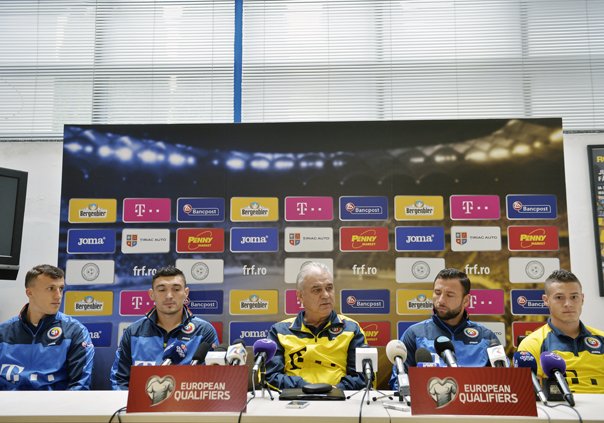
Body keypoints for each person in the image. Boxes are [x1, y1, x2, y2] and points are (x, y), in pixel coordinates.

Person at [110, 265, 218, 389]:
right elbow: (119, 380)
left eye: (176, 289)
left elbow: (213, 380)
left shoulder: (204, 331)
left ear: (186, 293)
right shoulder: (133, 332)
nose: (169, 296)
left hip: (188, 401)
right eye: (162, 290)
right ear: (152, 294)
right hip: (140, 401)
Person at [389, 268, 500, 389]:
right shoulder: (414, 334)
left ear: (466, 300)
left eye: (449, 295)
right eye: (437, 293)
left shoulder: (487, 337)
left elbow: (503, 383)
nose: (441, 300)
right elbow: (398, 384)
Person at [265, 261, 366, 390]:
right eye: (317, 290)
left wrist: (334, 391)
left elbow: (362, 378)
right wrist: (305, 388)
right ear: (300, 296)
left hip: (339, 399)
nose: (326, 295)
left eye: (329, 288)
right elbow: (270, 376)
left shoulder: (352, 329)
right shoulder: (279, 332)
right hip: (294, 399)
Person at [0, 264, 94, 390]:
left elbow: (80, 386)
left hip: (56, 403)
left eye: (61, 288)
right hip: (8, 402)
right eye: (51, 288)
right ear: (29, 292)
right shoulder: (3, 332)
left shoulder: (75, 331)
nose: (58, 295)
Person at [517, 269, 604, 393]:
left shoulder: (602, 338)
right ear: (546, 300)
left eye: (574, 297)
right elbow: (529, 394)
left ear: (582, 299)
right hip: (560, 404)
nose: (568, 304)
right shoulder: (532, 343)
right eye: (559, 297)